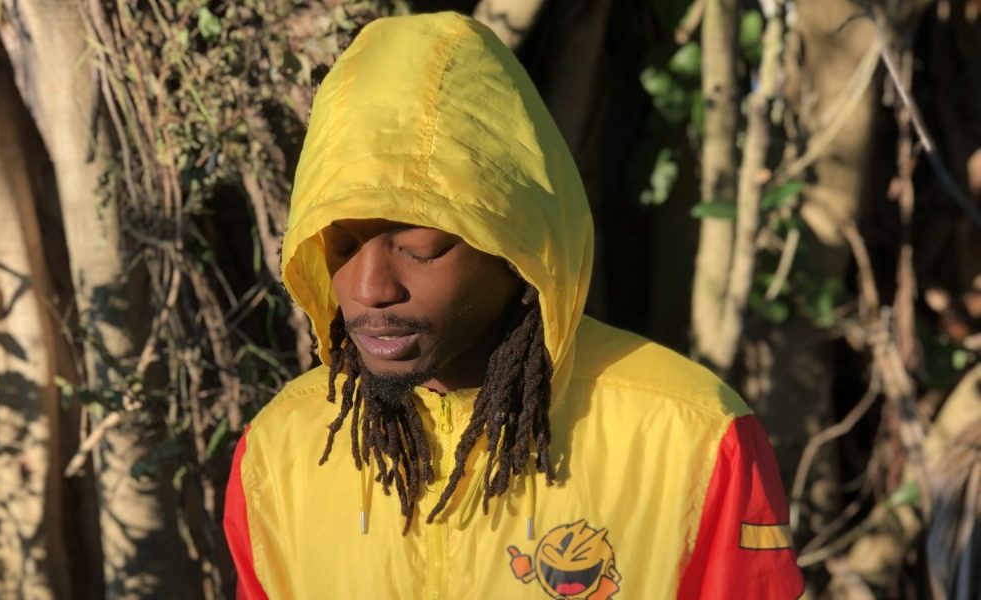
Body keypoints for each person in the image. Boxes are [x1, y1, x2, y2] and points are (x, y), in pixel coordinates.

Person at [224, 11, 806, 599]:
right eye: (342, 246)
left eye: (419, 247)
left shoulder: (691, 439)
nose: (370, 288)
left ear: (515, 247)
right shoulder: (278, 455)